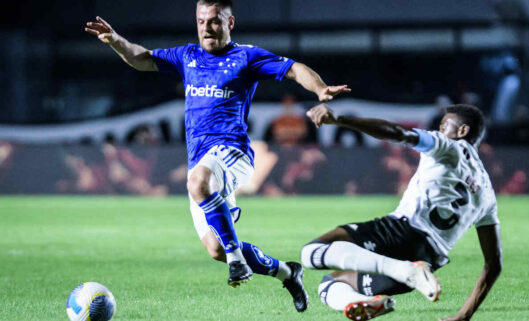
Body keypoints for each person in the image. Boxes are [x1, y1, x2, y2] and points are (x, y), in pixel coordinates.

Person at [85, 0, 350, 312]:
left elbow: (294, 69)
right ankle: (288, 272)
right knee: (215, 248)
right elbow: (142, 58)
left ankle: (237, 260)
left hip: (232, 153)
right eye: (201, 21)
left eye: (213, 21)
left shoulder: (246, 56)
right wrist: (116, 40)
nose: (206, 28)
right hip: (201, 160)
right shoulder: (187, 56)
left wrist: (319, 89)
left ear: (230, 23)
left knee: (199, 183)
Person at [302, 104, 502, 321]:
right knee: (331, 283)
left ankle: (405, 271)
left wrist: (340, 120)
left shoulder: (446, 146)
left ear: (462, 131)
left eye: (445, 125)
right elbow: (493, 264)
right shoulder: (487, 194)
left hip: (402, 232)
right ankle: (363, 302)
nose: (440, 129)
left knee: (311, 253)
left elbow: (399, 134)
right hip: (429, 257)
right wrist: (463, 316)